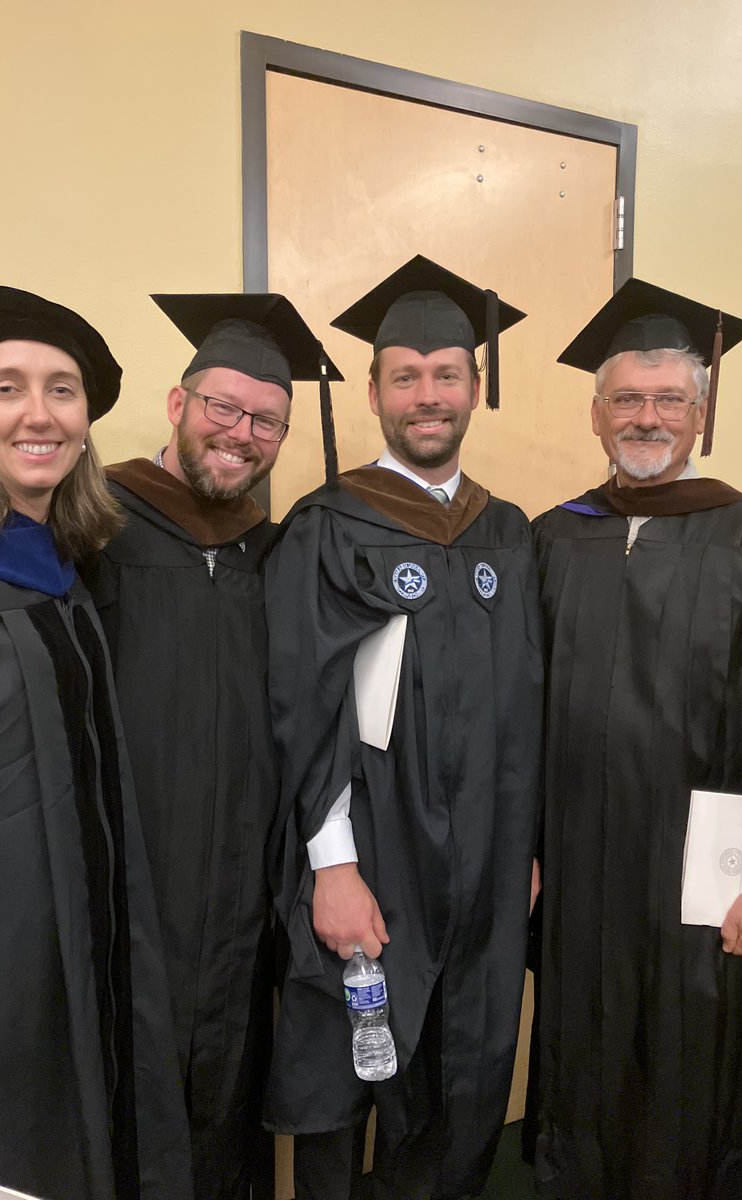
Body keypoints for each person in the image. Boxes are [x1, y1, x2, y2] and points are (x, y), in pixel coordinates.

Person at [0, 286, 192, 1200]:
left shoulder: (64, 576)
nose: (39, 413)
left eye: (62, 390)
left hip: (87, 964)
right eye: (7, 387)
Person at [262, 256, 543, 1199]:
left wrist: (524, 845)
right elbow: (302, 708)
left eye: (447, 374)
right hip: (373, 849)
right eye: (406, 376)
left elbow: (527, 705)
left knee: (465, 1061)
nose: (429, 395)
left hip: (487, 856)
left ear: (475, 385)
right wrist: (331, 865)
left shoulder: (509, 532)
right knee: (351, 1062)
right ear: (376, 391)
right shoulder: (328, 526)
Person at [533, 278, 742, 1200]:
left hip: (706, 869)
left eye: (670, 400)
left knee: (696, 1063)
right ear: (596, 414)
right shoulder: (553, 540)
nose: (648, 418)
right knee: (581, 1046)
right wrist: (522, 848)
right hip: (577, 863)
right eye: (628, 399)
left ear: (701, 414)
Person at [80, 293, 341, 1200]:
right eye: (223, 406)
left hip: (240, 887)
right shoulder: (91, 526)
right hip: (127, 874)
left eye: (267, 420)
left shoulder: (277, 553)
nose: (241, 433)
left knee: (228, 1098)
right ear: (177, 403)